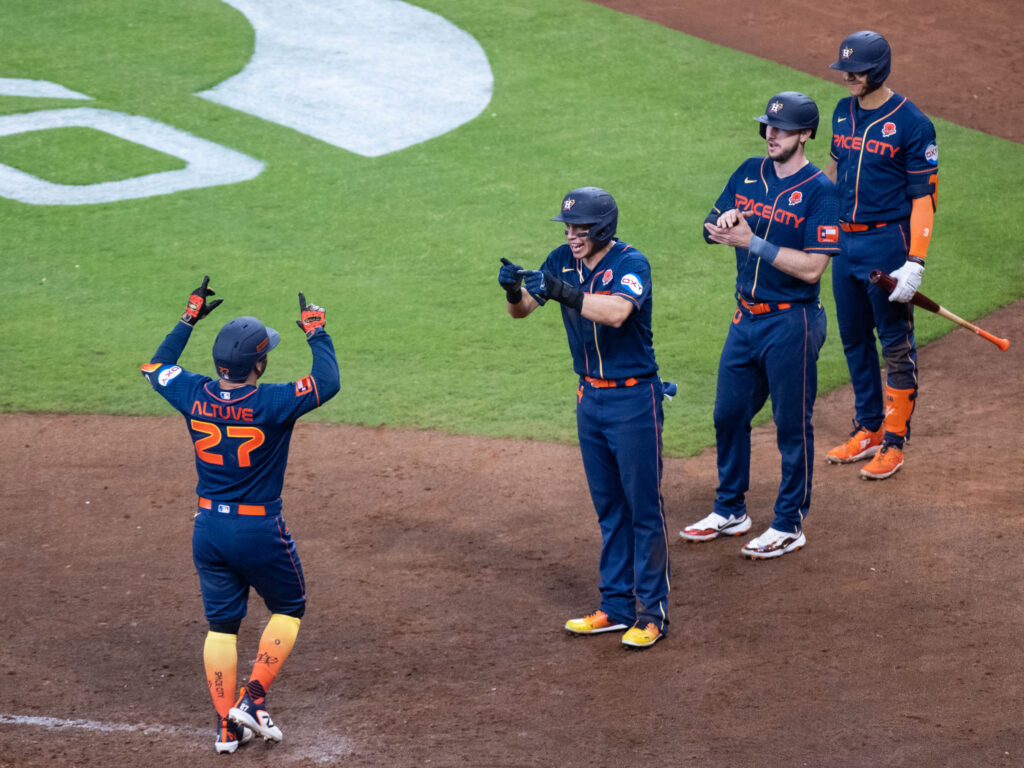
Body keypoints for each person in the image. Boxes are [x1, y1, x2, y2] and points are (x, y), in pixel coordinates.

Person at [139, 277, 340, 753]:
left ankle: (226, 729)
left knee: (221, 626)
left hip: (208, 529)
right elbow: (327, 382)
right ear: (260, 363)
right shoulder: (272, 402)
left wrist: (188, 317)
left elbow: (156, 366)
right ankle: (251, 701)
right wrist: (317, 332)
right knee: (289, 608)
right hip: (258, 529)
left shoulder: (191, 392)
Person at [498, 187, 671, 649]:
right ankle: (616, 607)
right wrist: (514, 289)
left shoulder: (632, 264)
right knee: (610, 509)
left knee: (643, 510)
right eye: (569, 228)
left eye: (580, 229)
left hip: (634, 401)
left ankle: (651, 614)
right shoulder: (561, 259)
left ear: (603, 230)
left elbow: (616, 313)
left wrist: (562, 292)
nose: (572, 236)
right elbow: (523, 312)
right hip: (589, 399)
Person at [679, 92, 839, 559]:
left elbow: (812, 269)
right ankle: (731, 510)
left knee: (792, 427)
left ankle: (790, 523)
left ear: (806, 134)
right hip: (745, 319)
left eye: (783, 128)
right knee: (728, 415)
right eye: (768, 127)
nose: (771, 134)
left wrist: (753, 241)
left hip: (793, 324)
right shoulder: (748, 171)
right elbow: (710, 227)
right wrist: (723, 222)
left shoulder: (819, 192)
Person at [824, 30, 939, 480]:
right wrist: (805, 215)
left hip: (886, 244)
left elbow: (923, 198)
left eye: (858, 70)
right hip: (844, 243)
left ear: (881, 70)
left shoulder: (913, 124)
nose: (849, 77)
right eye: (846, 69)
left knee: (894, 344)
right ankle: (869, 427)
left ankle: (894, 442)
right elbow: (834, 170)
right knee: (853, 339)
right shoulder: (842, 111)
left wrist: (916, 260)